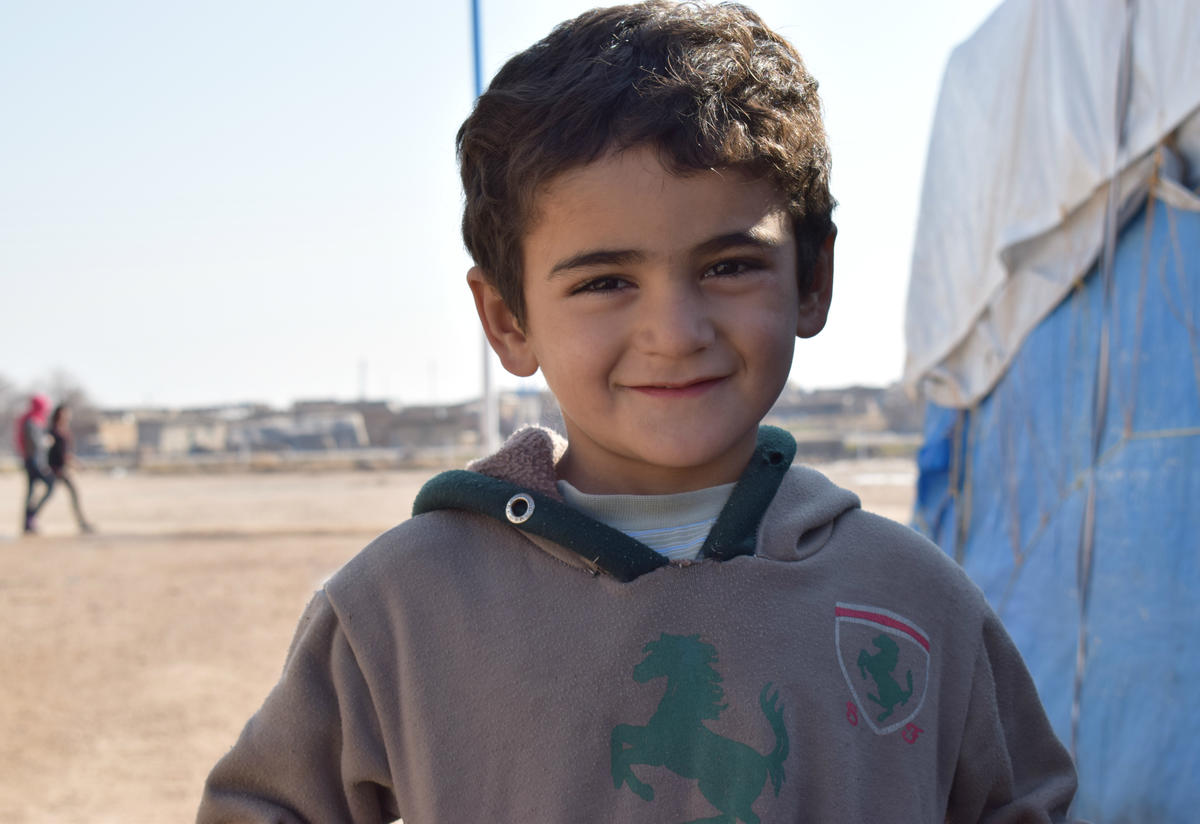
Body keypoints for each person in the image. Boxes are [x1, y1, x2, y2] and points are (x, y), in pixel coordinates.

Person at [198, 3, 1082, 821]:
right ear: (508, 320)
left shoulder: (915, 598)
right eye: (605, 281)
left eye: (729, 265)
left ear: (812, 279)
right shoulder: (402, 605)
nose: (674, 332)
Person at [46, 403, 94, 533]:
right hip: (56, 469)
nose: (67, 416)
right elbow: (54, 453)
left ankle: (82, 522)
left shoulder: (64, 431)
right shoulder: (53, 432)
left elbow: (67, 453)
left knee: (56, 494)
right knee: (49, 494)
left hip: (62, 469)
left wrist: (76, 464)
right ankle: (30, 517)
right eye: (64, 413)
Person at [15, 393, 54, 534]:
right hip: (34, 462)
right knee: (49, 485)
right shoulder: (32, 421)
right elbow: (36, 444)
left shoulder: (32, 419)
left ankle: (28, 522)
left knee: (31, 492)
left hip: (31, 461)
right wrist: (47, 441)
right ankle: (31, 518)